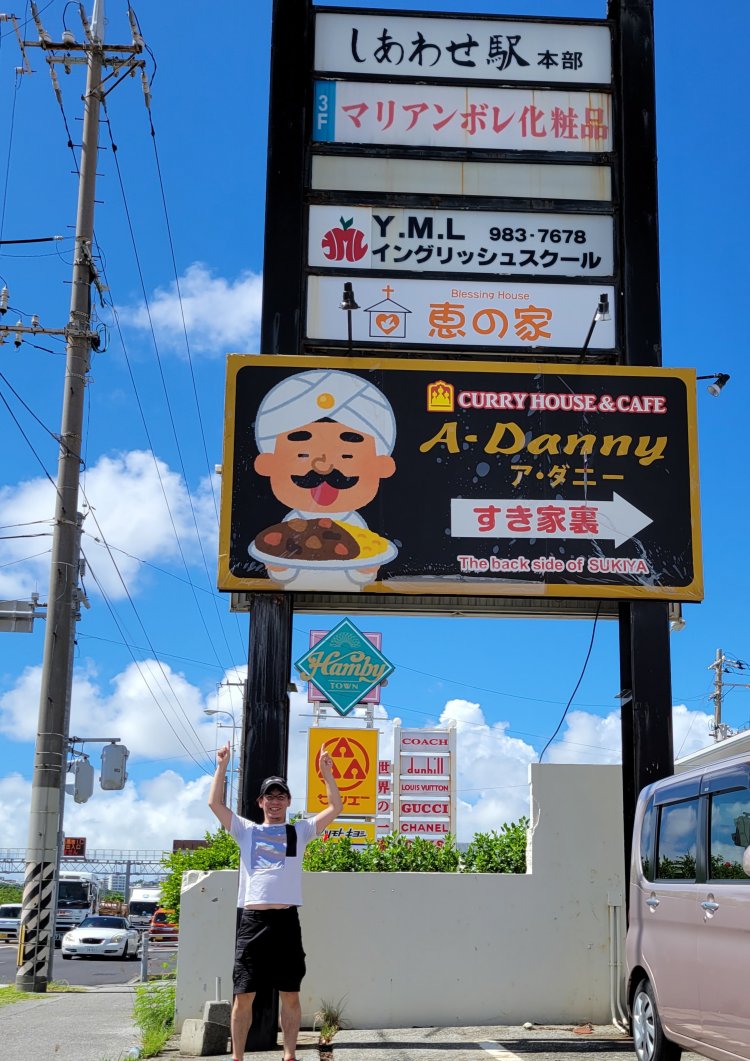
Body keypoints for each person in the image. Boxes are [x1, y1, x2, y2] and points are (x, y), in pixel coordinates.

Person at [208, 744, 343, 1061]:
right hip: (252, 922)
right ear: (260, 802)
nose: (275, 801)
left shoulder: (299, 832)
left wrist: (326, 773)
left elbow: (335, 806)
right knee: (243, 995)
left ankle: (289, 1055)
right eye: (269, 796)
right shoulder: (246, 831)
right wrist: (222, 766)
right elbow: (215, 803)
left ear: (288, 802)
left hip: (285, 921)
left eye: (281, 796)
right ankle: (238, 1057)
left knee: (290, 994)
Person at [251, 368, 397, 589]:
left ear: (382, 466)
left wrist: (366, 571)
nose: (324, 466)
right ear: (267, 464)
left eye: (346, 456)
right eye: (303, 455)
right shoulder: (291, 525)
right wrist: (278, 569)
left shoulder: (357, 530)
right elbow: (282, 570)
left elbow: (361, 570)